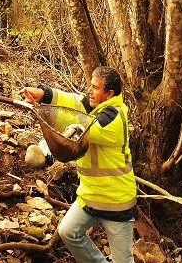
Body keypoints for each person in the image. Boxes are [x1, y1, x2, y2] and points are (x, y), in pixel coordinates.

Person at [19, 66, 137, 263]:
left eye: (95, 88)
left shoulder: (113, 118)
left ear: (109, 94)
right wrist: (44, 94)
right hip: (90, 196)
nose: (89, 91)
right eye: (90, 86)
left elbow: (78, 124)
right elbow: (74, 101)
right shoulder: (97, 106)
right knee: (68, 232)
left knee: (123, 260)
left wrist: (42, 111)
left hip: (117, 202)